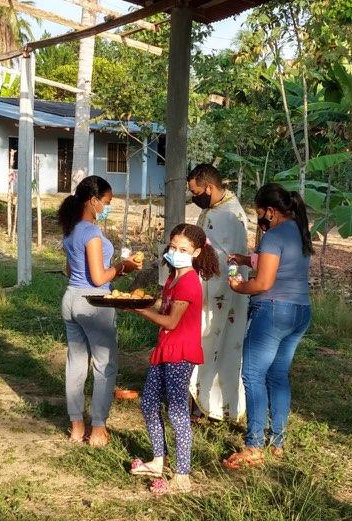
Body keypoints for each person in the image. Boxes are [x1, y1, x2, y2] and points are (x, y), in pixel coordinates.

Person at [223, 183, 314, 468]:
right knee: (278, 375)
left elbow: (263, 282)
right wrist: (246, 260)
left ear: (271, 212)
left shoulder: (273, 236)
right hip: (300, 311)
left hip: (273, 311)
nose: (259, 218)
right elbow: (280, 267)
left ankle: (253, 444)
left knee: (253, 375)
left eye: (260, 213)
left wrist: (238, 287)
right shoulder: (299, 231)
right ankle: (277, 442)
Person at [130, 224, 219, 493]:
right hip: (166, 348)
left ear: (196, 252)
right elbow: (164, 307)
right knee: (148, 402)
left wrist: (139, 309)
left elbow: (170, 321)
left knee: (178, 412)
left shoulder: (190, 281)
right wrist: (143, 301)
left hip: (180, 352)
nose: (176, 253)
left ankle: (182, 475)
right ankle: (158, 459)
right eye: (173, 247)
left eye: (183, 250)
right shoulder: (173, 278)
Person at [58, 175, 141, 447]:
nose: (107, 207)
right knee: (104, 366)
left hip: (71, 298)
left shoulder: (71, 229)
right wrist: (122, 267)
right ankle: (97, 429)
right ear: (93, 201)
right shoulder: (92, 233)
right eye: (106, 202)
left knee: (75, 364)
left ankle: (76, 426)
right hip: (94, 302)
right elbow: (98, 277)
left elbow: (70, 270)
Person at [187, 163, 248, 422]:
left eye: (196, 191)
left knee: (208, 343)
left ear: (209, 188)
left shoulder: (224, 215)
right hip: (225, 291)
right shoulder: (228, 208)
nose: (194, 197)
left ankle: (204, 405)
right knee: (218, 346)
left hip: (216, 293)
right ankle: (206, 403)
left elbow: (222, 258)